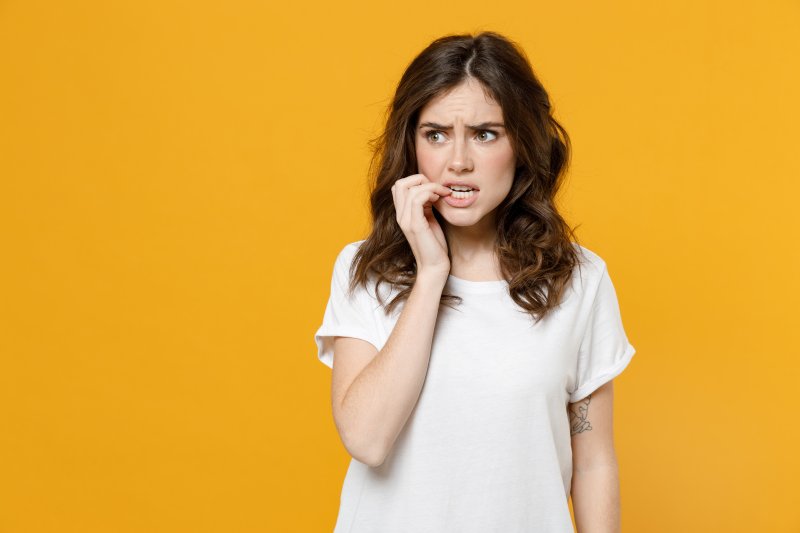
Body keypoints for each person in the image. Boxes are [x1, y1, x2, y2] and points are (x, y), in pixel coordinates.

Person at [314, 30, 636, 533]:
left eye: (486, 133)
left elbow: (593, 463)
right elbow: (367, 439)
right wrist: (432, 274)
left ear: (522, 144)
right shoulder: (366, 270)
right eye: (436, 134)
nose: (458, 160)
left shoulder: (577, 279)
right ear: (412, 144)